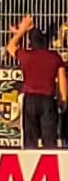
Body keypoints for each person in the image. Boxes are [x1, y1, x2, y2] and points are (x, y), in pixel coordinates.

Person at [8, 15, 66, 149]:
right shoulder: (54, 57)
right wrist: (63, 99)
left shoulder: (26, 56)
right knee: (49, 139)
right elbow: (62, 79)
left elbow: (11, 47)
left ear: (30, 43)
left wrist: (21, 30)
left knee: (30, 138)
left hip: (30, 100)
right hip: (48, 100)